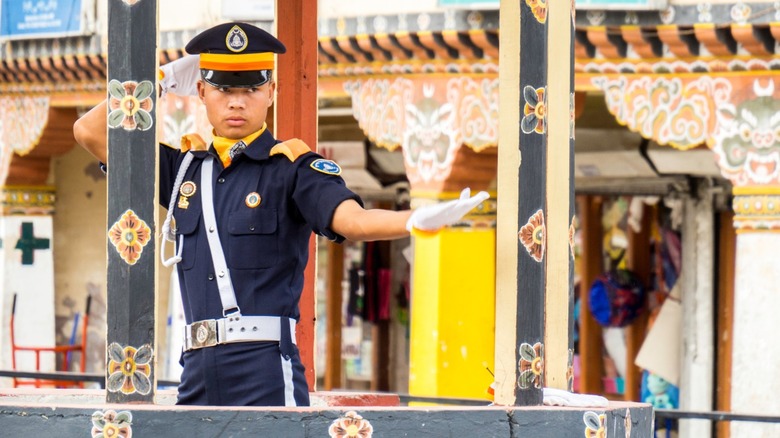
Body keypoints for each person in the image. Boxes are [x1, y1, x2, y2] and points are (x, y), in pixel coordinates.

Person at [73, 22, 488, 407]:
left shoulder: (292, 168)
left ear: (271, 91)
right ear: (200, 91)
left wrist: (411, 221)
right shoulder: (183, 168)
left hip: (265, 367)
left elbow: (350, 220)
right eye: (222, 89)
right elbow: (90, 133)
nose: (237, 101)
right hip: (196, 367)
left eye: (251, 89)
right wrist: (159, 81)